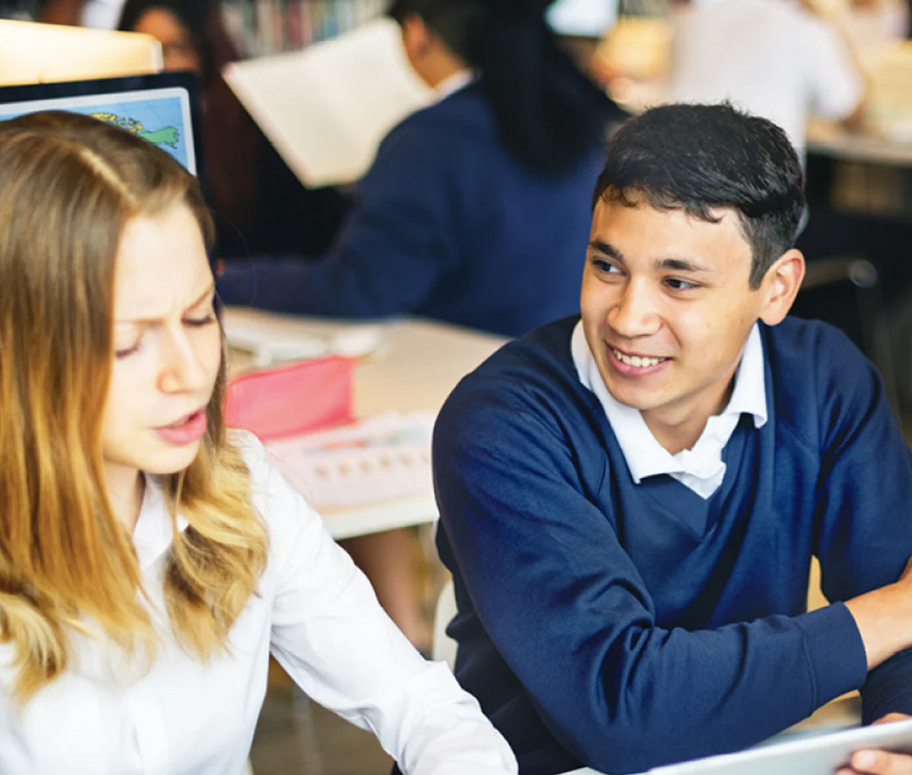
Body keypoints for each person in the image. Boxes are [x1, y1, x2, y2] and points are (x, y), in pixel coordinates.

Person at [432, 103, 912, 775]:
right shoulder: (504, 422)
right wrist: (897, 612)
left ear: (777, 288)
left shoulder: (821, 380)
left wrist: (909, 725)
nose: (627, 316)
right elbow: (624, 709)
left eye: (678, 282)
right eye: (607, 266)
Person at [0, 111, 516, 775]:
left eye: (198, 315)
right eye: (129, 343)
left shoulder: (240, 488)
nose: (190, 372)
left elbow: (421, 705)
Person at [215, 0, 625, 337]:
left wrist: (226, 278)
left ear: (417, 33)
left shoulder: (431, 139)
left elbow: (362, 288)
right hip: (557, 358)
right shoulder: (573, 118)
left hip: (460, 371)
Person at [665, 0, 912, 359]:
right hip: (759, 239)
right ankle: (803, 359)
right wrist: (827, 23)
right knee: (908, 243)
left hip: (682, 228)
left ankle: (772, 347)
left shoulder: (692, 17)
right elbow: (853, 106)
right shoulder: (801, 25)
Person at [115, 0, 348, 259]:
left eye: (176, 49)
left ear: (204, 52)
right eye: (147, 50)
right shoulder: (114, 129)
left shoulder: (251, 127)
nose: (160, 66)